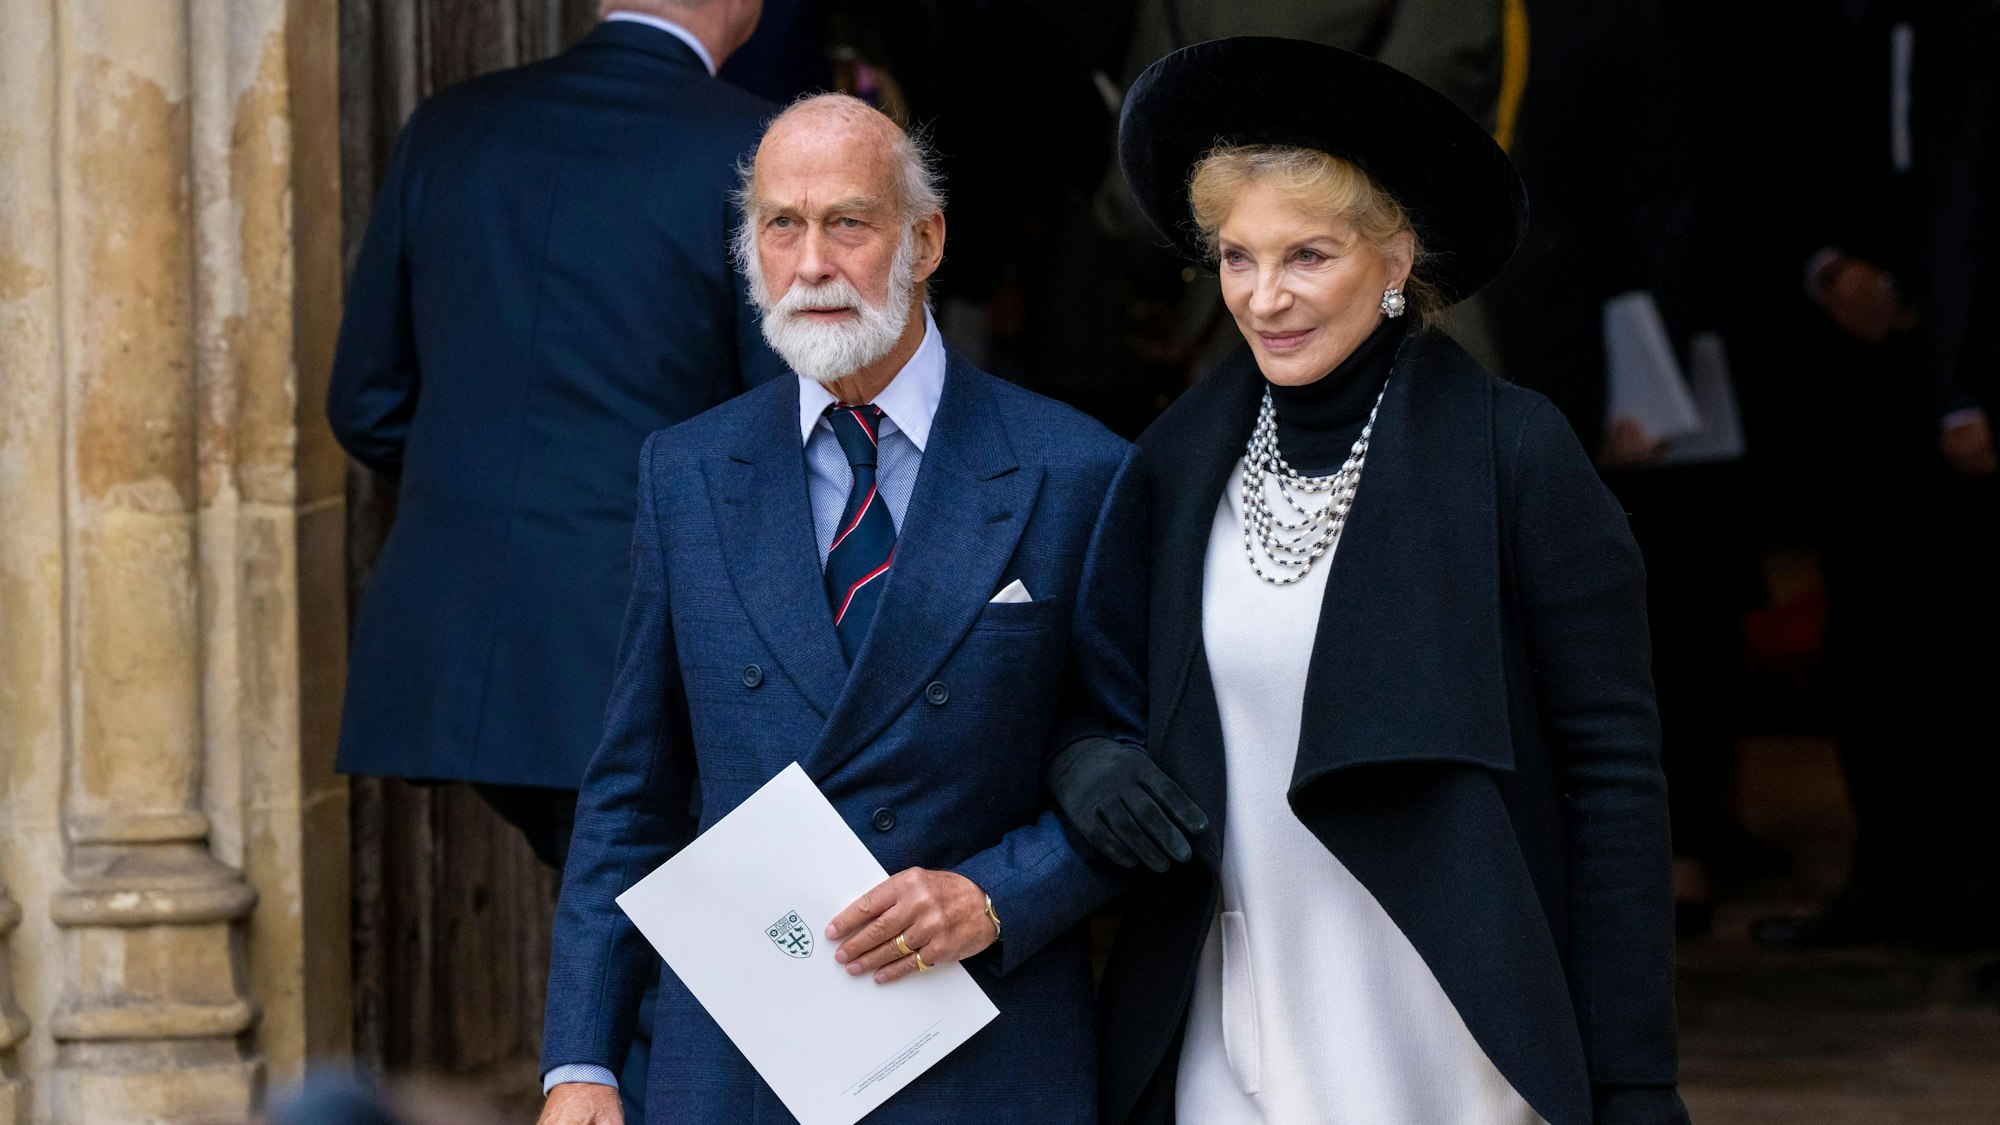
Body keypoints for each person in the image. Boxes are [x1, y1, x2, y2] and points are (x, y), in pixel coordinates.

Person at [1046, 38, 1685, 1125]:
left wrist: (1631, 1075)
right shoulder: (1172, 459)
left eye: (1307, 256)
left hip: (1444, 1020)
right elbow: (1090, 695)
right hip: (1230, 1001)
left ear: (1394, 263)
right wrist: (1084, 761)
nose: (1263, 298)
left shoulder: (1514, 454)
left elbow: (1615, 784)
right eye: (1237, 258)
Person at [537, 93, 1139, 1124]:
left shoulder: (1077, 469)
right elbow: (632, 792)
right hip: (736, 1056)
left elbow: (1144, 767)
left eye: (847, 223)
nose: (811, 263)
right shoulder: (684, 473)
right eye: (781, 225)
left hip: (978, 1045)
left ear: (925, 238)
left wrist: (994, 897)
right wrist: (581, 1061)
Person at [327, 0, 778, 872]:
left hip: (460, 636)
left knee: (610, 939)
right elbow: (784, 429)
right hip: (643, 643)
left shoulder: (451, 125)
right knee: (649, 970)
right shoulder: (758, 152)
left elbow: (365, 400)